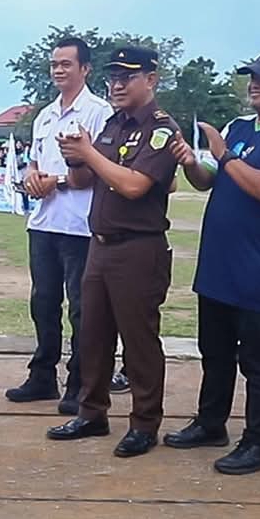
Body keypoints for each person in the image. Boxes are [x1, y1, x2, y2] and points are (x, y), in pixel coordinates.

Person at [164, 47, 260, 475]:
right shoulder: (238, 126)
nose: (254, 83)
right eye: (251, 75)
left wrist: (224, 155)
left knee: (257, 359)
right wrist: (190, 160)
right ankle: (210, 422)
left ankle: (259, 443)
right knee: (214, 351)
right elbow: (207, 181)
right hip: (219, 262)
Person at [47, 46, 180, 458]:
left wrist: (88, 153)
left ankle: (144, 422)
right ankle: (92, 413)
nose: (117, 85)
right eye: (113, 78)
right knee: (93, 335)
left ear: (152, 80)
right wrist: (74, 158)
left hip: (138, 249)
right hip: (101, 246)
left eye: (128, 76)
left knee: (138, 341)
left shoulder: (160, 128)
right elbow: (88, 179)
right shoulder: (112, 124)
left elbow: (135, 185)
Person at [5, 38, 113, 415]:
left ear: (85, 69)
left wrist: (60, 182)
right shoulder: (45, 116)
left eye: (67, 64)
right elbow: (35, 162)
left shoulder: (99, 112)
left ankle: (80, 381)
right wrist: (33, 176)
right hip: (45, 221)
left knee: (83, 308)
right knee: (43, 302)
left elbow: (101, 168)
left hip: (81, 224)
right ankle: (42, 375)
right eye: (54, 64)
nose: (58, 70)